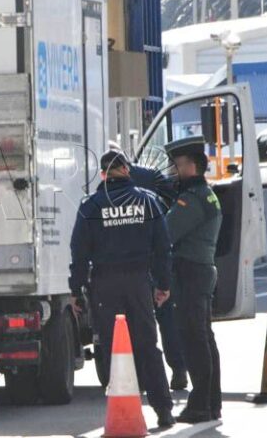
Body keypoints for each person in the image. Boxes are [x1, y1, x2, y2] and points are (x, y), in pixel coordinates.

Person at [69, 150, 175, 428]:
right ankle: (163, 409)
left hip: (104, 285)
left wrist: (76, 290)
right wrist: (163, 284)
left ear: (103, 175)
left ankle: (122, 409)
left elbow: (78, 252)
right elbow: (163, 248)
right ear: (127, 170)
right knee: (147, 346)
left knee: (113, 347)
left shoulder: (91, 205)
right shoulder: (148, 201)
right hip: (139, 282)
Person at [163, 136, 222, 423]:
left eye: (177, 165)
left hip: (190, 273)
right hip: (200, 271)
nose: (174, 171)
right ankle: (211, 403)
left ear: (192, 166)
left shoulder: (192, 199)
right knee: (204, 338)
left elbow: (166, 232)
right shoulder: (205, 194)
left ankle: (200, 405)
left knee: (194, 340)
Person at [129, 163, 188, 391]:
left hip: (129, 267)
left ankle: (141, 376)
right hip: (155, 260)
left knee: (136, 324)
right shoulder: (150, 178)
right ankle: (178, 369)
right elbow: (170, 201)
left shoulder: (103, 186)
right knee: (167, 319)